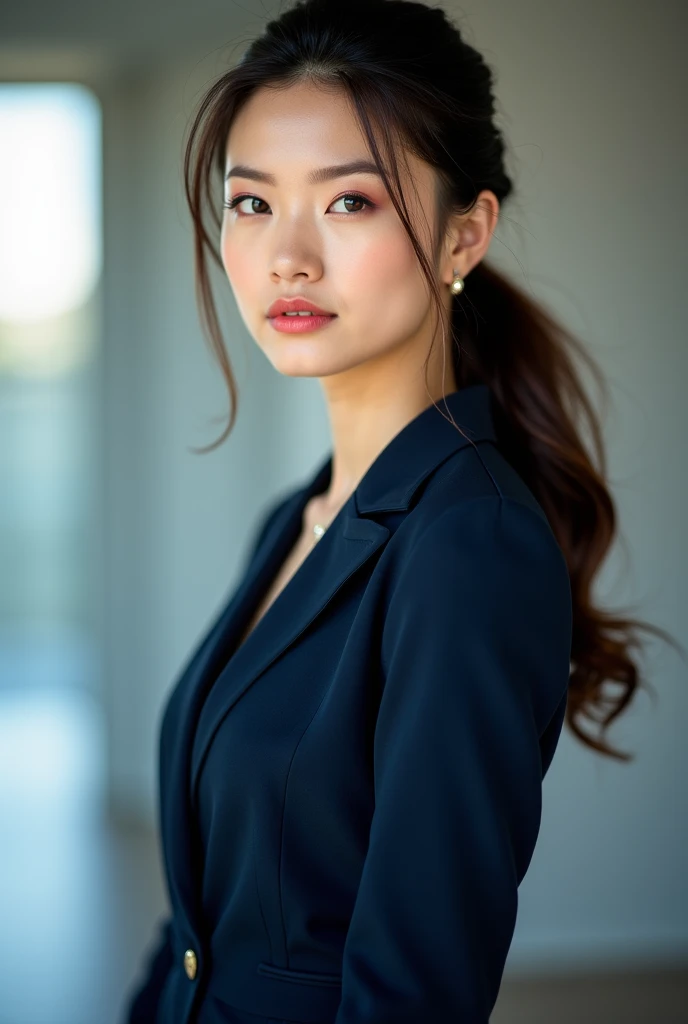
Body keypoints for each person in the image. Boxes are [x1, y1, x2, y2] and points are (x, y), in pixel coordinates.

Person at [122, 2, 677, 1021]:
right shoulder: (298, 518)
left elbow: (415, 989)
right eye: (252, 203)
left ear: (464, 232)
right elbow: (207, 913)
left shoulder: (471, 543)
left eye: (349, 203)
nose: (287, 255)